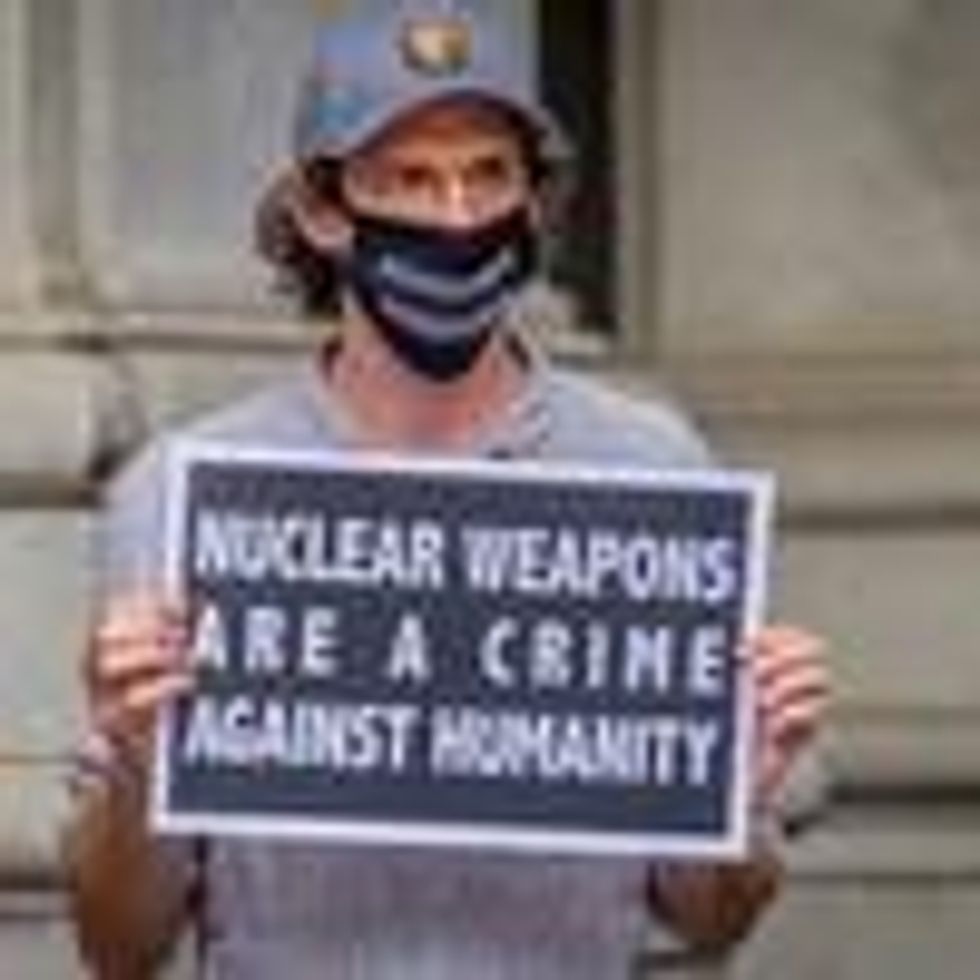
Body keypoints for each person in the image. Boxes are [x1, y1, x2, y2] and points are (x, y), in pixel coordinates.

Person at [63, 1, 831, 977]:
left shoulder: (650, 473)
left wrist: (735, 791)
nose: (457, 216)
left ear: (533, 200)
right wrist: (136, 759)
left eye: (487, 174)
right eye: (410, 180)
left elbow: (711, 919)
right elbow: (117, 947)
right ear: (320, 210)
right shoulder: (180, 496)